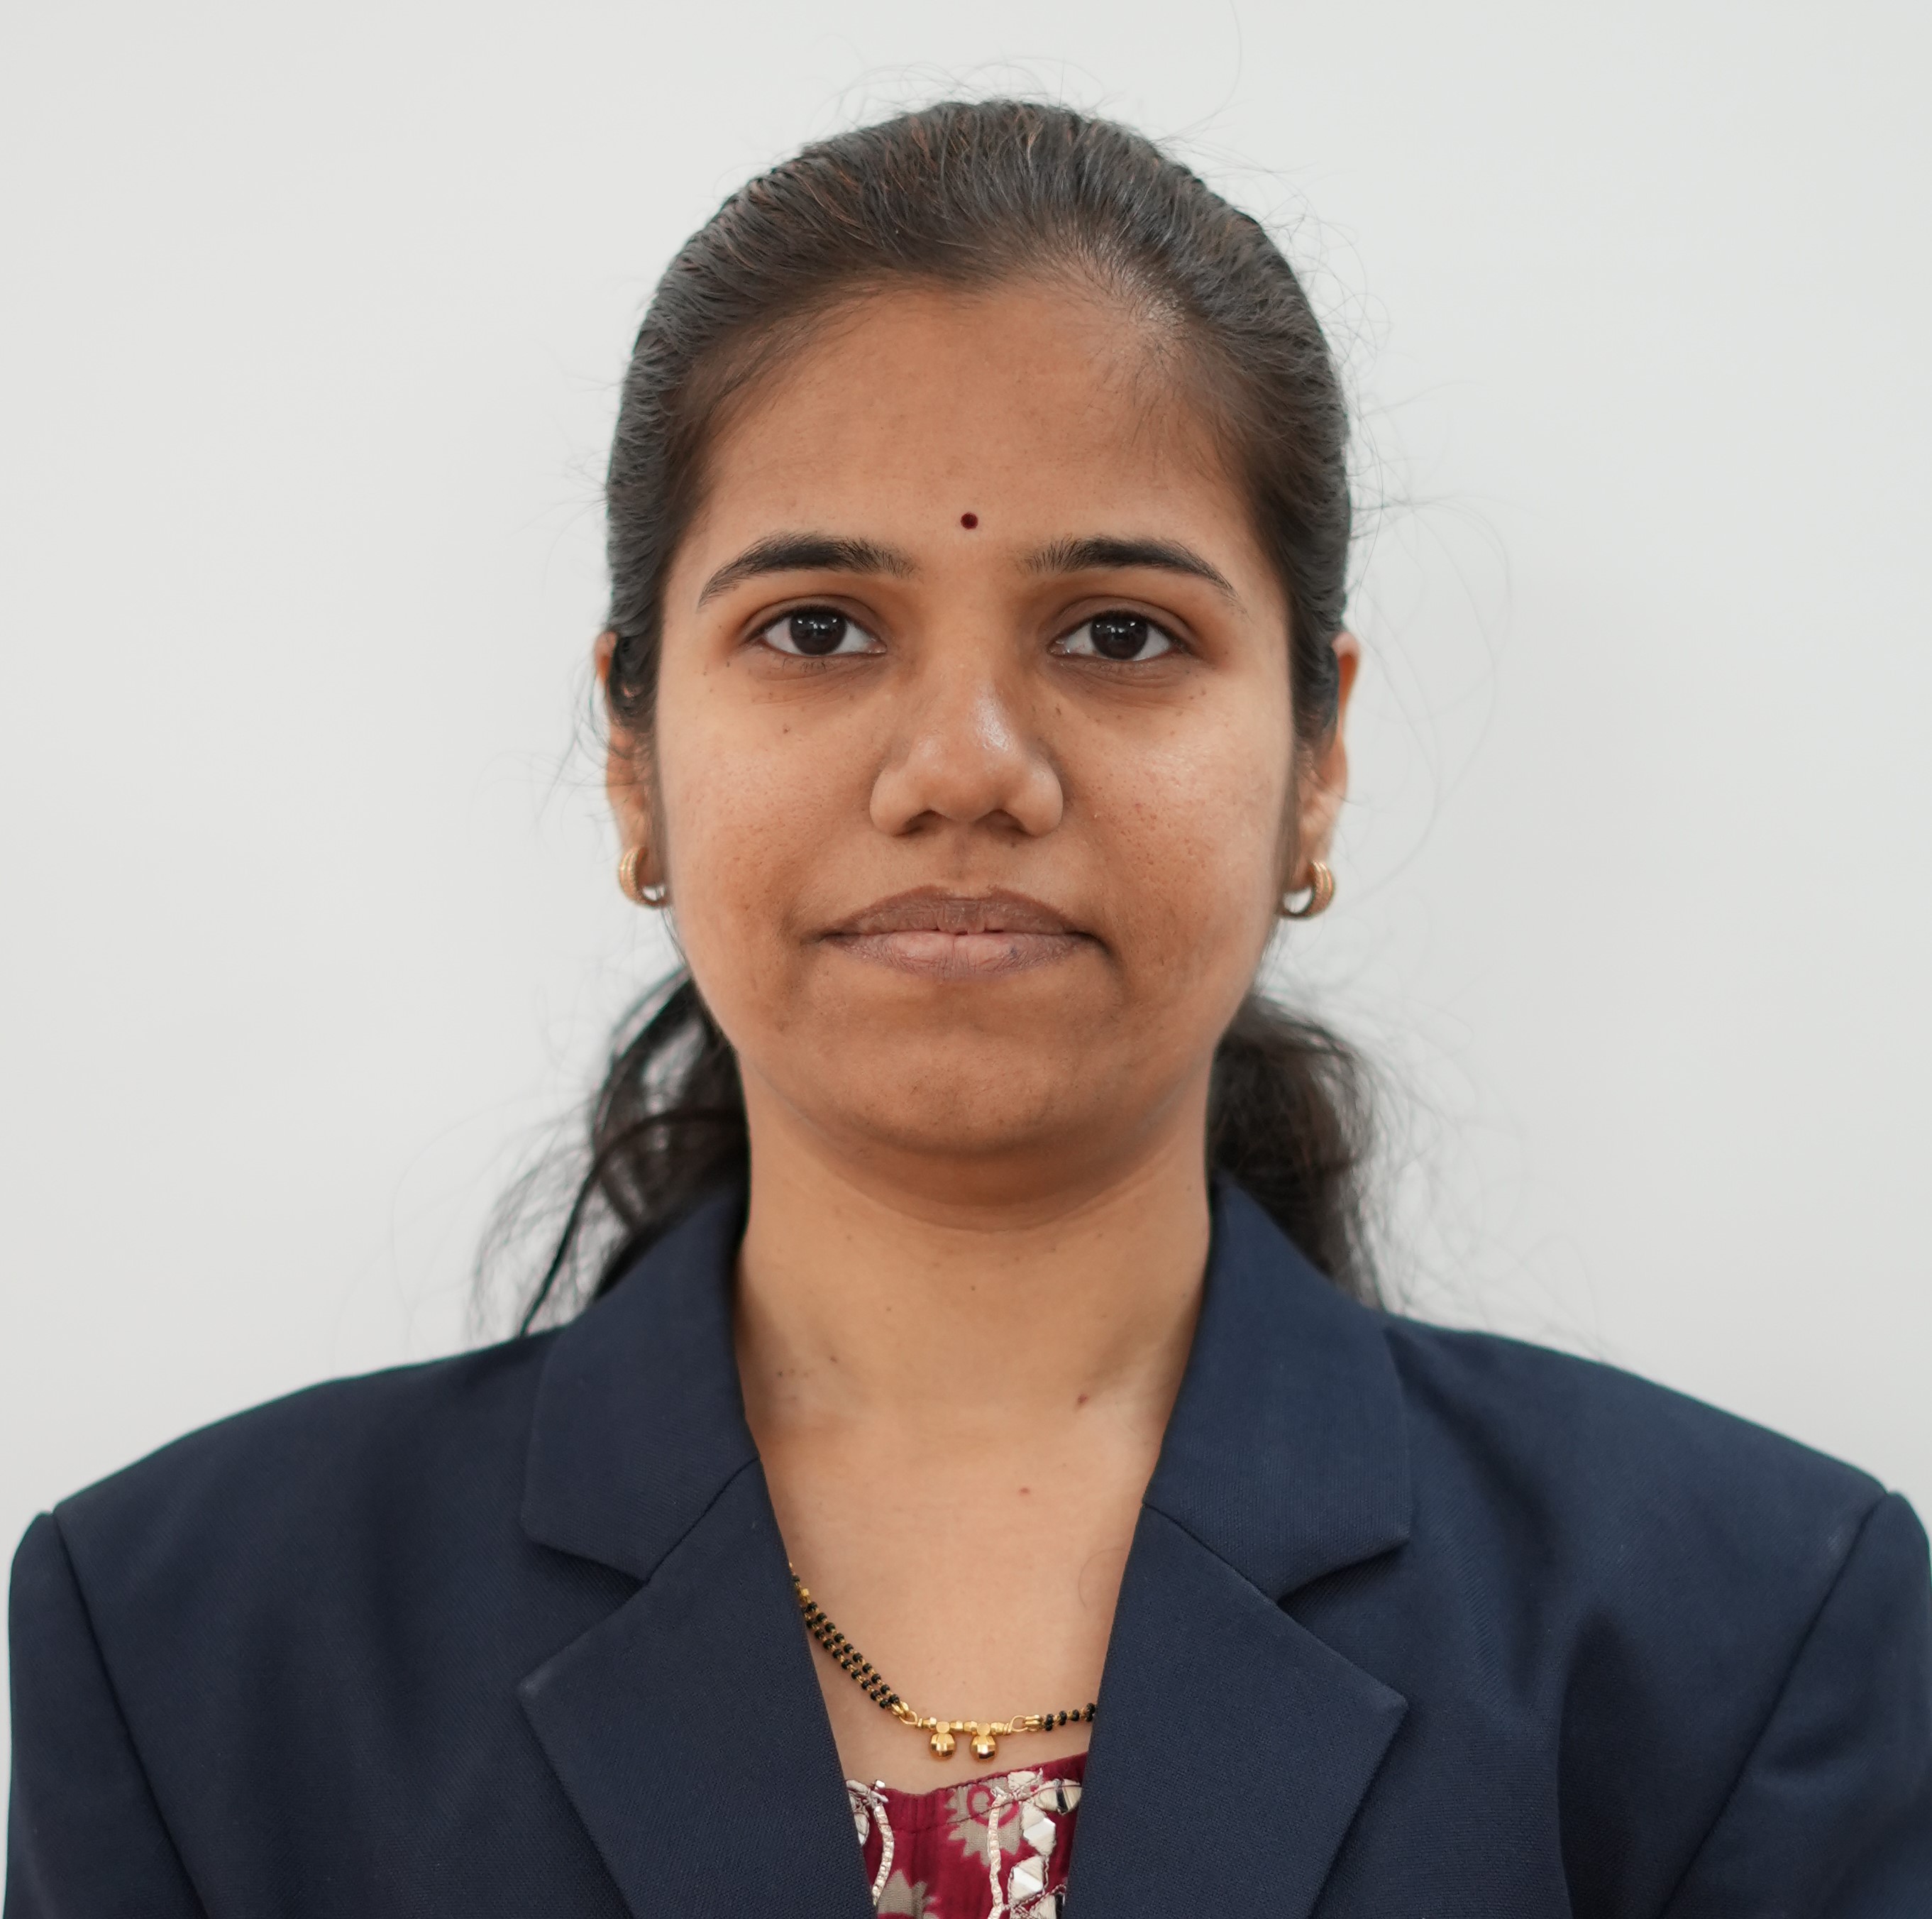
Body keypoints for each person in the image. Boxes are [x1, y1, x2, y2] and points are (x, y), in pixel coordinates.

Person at [7, 99, 1928, 1918]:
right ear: (633, 756)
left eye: (1121, 634)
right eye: (815, 628)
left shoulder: (1746, 1628)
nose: (963, 769)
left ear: (1317, 760)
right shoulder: (188, 1636)